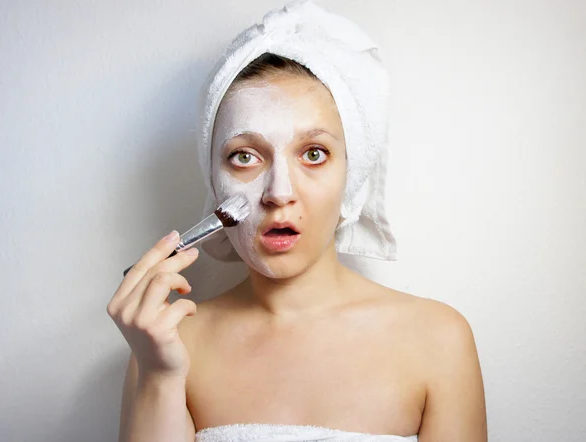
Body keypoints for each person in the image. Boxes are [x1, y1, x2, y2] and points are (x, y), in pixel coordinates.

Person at [107, 2, 487, 442]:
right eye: (245, 157)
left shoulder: (437, 339)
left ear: (354, 173)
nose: (279, 192)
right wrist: (160, 378)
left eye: (313, 153)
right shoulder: (165, 345)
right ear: (213, 179)